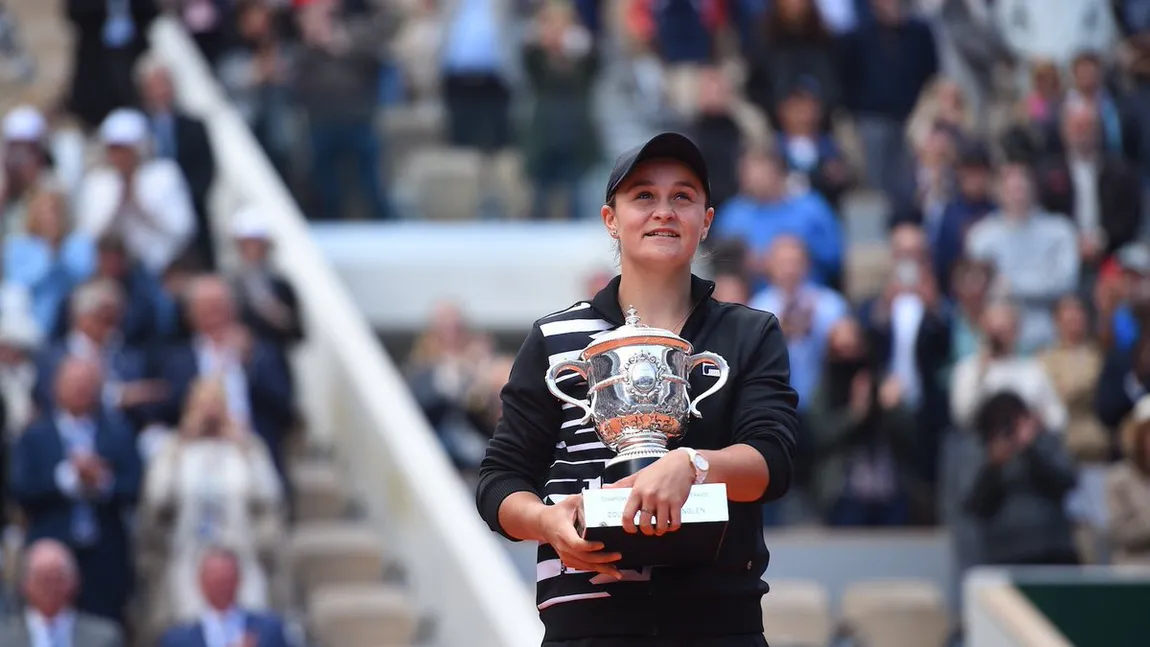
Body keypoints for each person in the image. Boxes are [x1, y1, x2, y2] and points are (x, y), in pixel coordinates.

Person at [475, 132, 800, 646]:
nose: (664, 211)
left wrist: (691, 465)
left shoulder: (749, 334)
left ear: (706, 221)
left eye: (683, 197)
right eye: (643, 196)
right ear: (611, 220)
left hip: (718, 624)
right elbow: (499, 481)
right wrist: (546, 522)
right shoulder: (553, 339)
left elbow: (773, 461)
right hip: (585, 628)